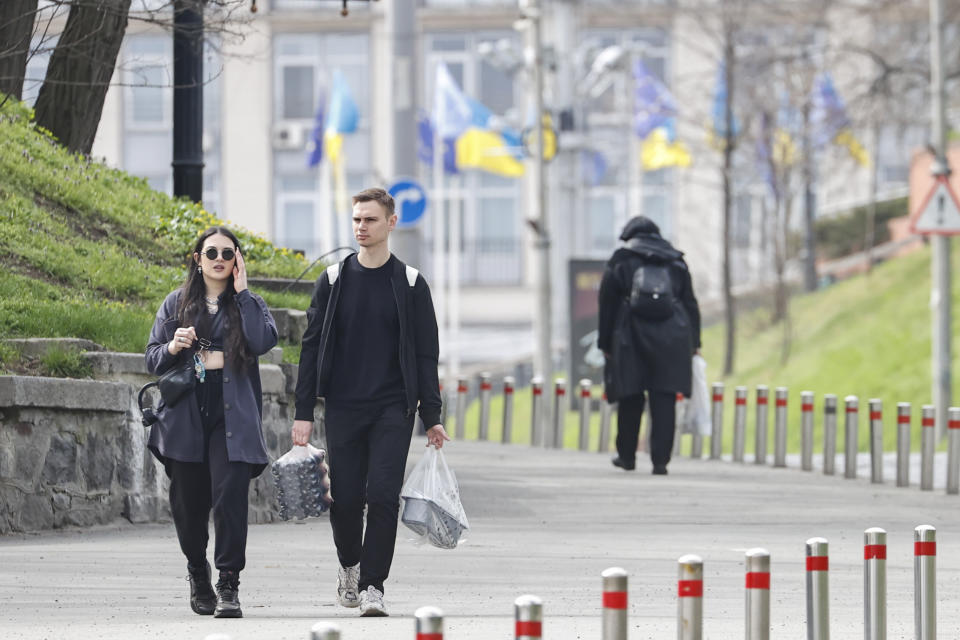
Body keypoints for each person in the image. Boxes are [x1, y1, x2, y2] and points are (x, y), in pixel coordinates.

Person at [292, 187, 449, 617]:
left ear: (391, 223)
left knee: (382, 496)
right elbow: (310, 349)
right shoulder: (333, 281)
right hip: (343, 406)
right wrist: (303, 411)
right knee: (345, 499)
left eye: (371, 220)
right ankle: (349, 565)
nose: (361, 227)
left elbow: (425, 354)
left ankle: (373, 586)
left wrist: (431, 416)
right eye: (357, 220)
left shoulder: (412, 285)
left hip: (393, 409)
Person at [145, 226, 278, 618]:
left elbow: (261, 342)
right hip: (186, 414)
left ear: (237, 260)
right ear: (197, 259)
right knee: (187, 503)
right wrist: (173, 345)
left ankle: (228, 582)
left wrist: (244, 291)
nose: (219, 260)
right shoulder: (176, 304)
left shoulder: (248, 303)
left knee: (230, 495)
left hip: (231, 413)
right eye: (212, 253)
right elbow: (152, 358)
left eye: (227, 253)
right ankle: (197, 572)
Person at [597, 216, 701, 475]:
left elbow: (607, 304)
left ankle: (627, 456)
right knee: (664, 397)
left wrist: (605, 342)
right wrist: (694, 343)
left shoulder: (621, 260)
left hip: (629, 336)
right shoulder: (676, 261)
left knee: (630, 395)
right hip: (672, 337)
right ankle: (660, 461)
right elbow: (690, 303)